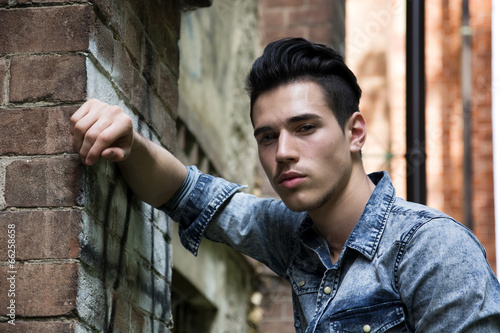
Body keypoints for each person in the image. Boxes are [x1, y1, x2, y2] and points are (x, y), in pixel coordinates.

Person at [71, 37, 500, 332]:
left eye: (305, 127)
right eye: (267, 136)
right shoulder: (294, 234)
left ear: (355, 133)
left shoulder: (432, 249)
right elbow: (185, 193)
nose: (283, 152)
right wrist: (126, 141)